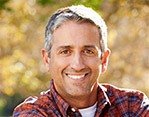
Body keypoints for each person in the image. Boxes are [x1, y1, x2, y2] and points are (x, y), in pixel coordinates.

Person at [13, 5, 149, 117]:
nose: (77, 65)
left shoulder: (132, 106)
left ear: (104, 59)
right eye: (65, 51)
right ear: (47, 59)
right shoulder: (32, 113)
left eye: (88, 51)